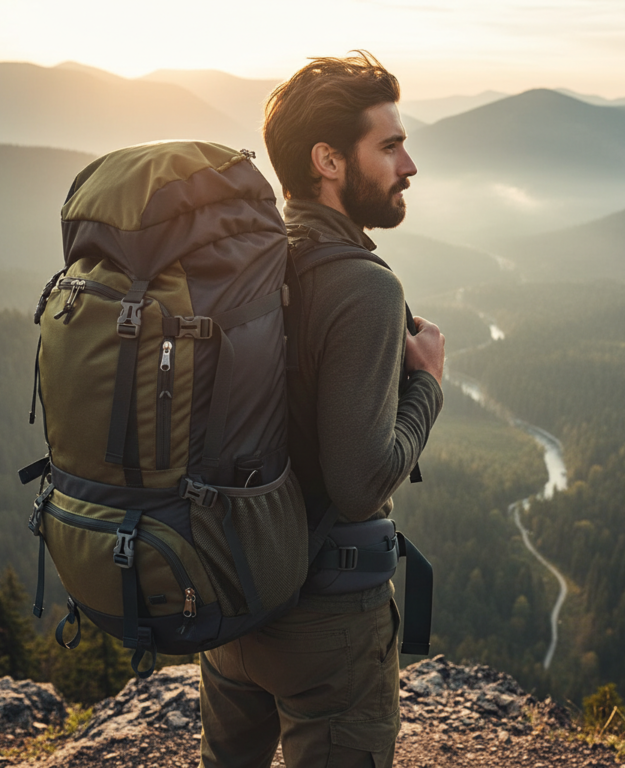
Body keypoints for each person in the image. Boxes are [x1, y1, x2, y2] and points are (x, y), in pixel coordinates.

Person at [199, 51, 445, 768]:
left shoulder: (246, 264)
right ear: (328, 161)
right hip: (327, 622)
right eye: (391, 145)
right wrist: (427, 383)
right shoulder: (365, 288)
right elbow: (359, 482)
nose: (409, 165)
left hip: (233, 604)